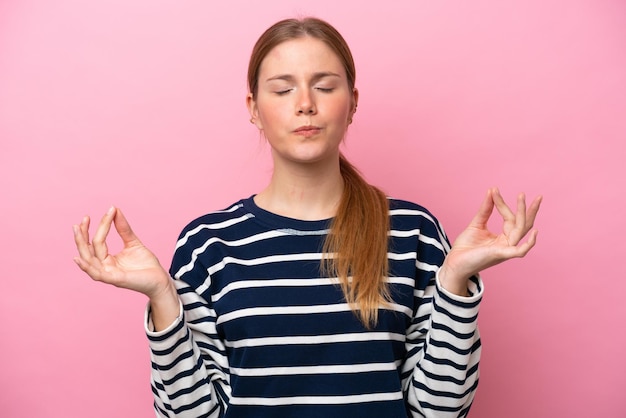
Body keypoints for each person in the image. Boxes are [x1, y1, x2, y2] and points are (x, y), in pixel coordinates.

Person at [73, 17, 541, 418]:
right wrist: (162, 298)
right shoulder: (208, 244)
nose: (305, 104)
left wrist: (456, 281)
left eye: (324, 85)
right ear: (254, 110)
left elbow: (439, 410)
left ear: (352, 103)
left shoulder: (412, 233)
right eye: (282, 89)